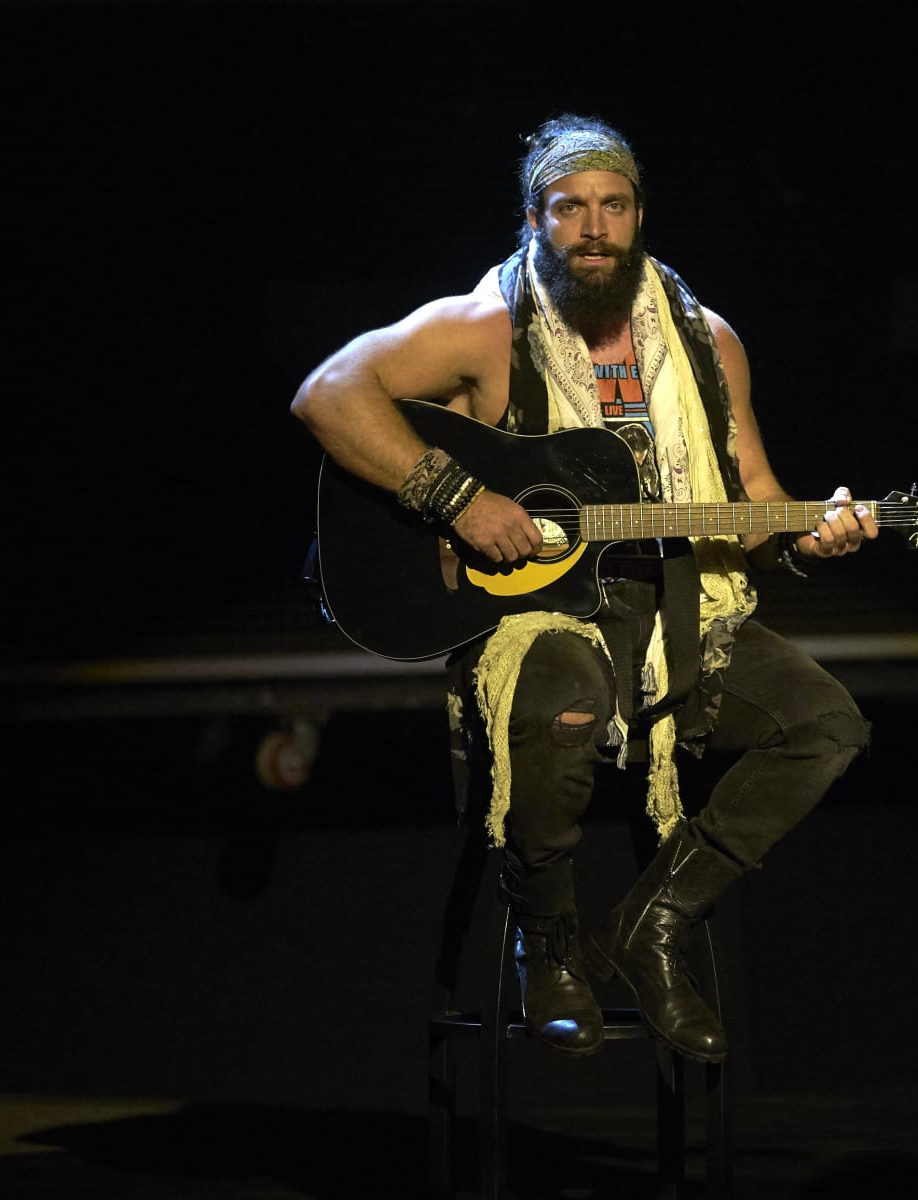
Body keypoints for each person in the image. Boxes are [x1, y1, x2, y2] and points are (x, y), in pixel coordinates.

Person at [289, 113, 876, 1063]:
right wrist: (459, 497)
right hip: (536, 619)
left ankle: (655, 924)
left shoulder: (709, 343)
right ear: (534, 221)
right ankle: (548, 940)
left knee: (827, 724)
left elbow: (756, 501)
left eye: (613, 206)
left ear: (641, 216)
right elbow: (328, 393)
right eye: (571, 209)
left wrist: (815, 533)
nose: (594, 228)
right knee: (563, 698)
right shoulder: (483, 328)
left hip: (683, 615)